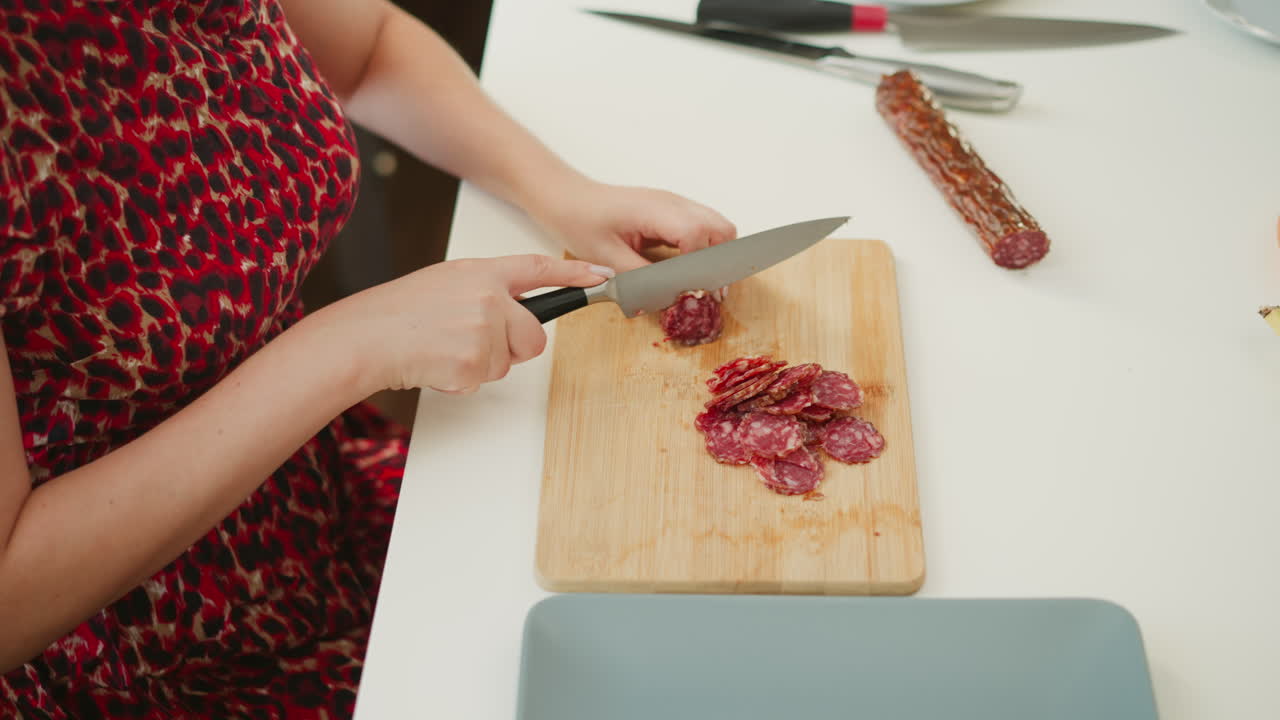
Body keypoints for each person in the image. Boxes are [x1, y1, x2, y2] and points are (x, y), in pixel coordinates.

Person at [0, 1, 736, 716]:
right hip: (147, 658)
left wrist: (566, 194)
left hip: (315, 497)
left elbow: (372, 48)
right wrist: (351, 347)